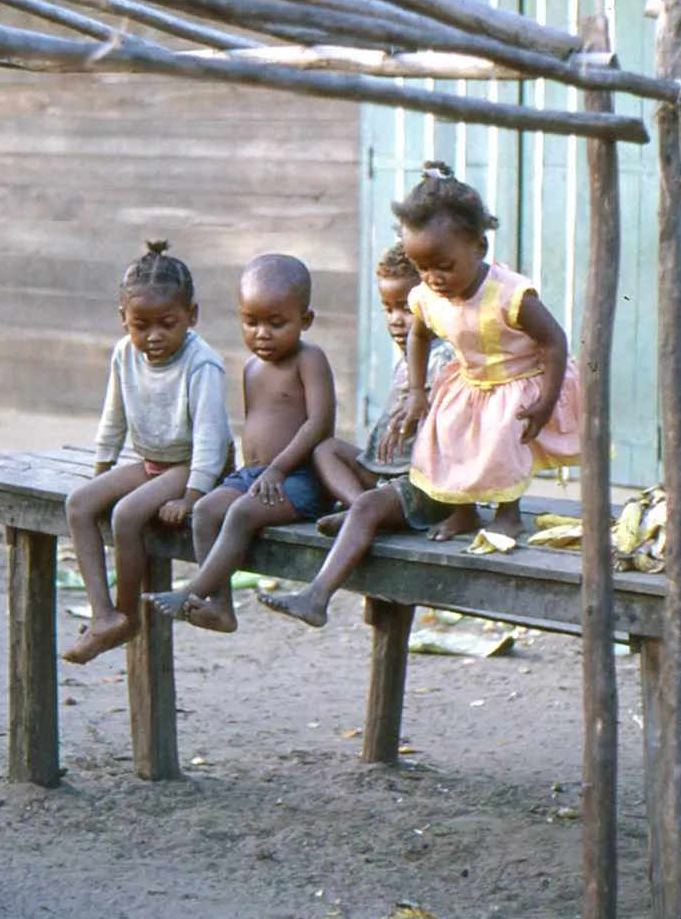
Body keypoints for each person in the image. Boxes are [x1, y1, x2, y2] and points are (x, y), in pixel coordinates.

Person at [257, 242, 454, 627]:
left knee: (369, 507)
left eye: (406, 309)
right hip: (386, 474)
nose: (396, 320)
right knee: (326, 450)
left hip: (424, 485)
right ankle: (358, 508)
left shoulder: (446, 358)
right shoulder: (407, 359)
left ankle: (316, 596)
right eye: (388, 309)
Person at [386, 161, 581, 543]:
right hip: (471, 381)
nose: (433, 278)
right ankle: (464, 512)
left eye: (444, 266)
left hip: (520, 379)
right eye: (421, 268)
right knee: (451, 434)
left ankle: (509, 514)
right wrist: (417, 392)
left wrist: (546, 400)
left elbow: (554, 340)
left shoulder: (509, 294)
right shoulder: (425, 297)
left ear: (479, 247)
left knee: (502, 437)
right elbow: (418, 337)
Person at [61, 241, 234, 665]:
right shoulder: (125, 354)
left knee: (126, 515)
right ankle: (103, 615)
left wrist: (191, 496)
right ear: (123, 319)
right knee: (79, 503)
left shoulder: (202, 364)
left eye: (167, 324)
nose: (154, 336)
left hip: (194, 466)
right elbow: (113, 417)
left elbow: (211, 439)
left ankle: (127, 615)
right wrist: (102, 470)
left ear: (192, 315)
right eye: (141, 325)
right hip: (152, 461)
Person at [146, 253, 335, 633]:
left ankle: (194, 591)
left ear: (305, 320)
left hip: (299, 478)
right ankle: (220, 607)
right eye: (251, 322)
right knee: (206, 511)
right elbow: (255, 424)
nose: (262, 333)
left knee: (241, 514)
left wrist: (278, 469)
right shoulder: (251, 367)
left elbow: (319, 424)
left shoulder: (309, 359)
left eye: (276, 323)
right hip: (254, 476)